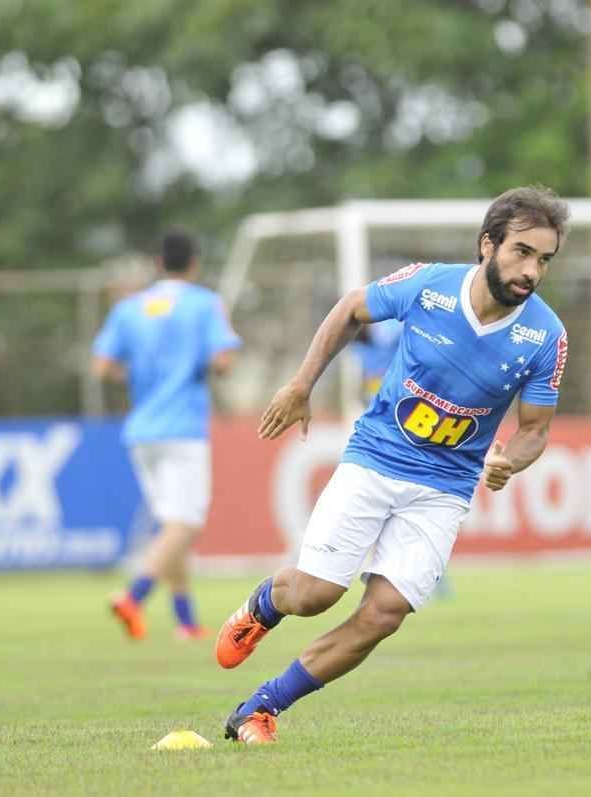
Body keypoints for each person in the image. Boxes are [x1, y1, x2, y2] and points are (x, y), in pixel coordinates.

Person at [214, 186, 571, 744]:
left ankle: (260, 708)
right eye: (522, 252)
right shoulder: (429, 286)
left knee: (384, 614)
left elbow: (534, 430)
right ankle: (265, 604)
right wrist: (302, 384)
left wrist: (509, 461)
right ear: (488, 245)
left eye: (544, 259)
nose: (532, 270)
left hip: (445, 488)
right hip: (376, 458)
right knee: (315, 595)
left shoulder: (546, 335)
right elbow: (350, 309)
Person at [92, 229, 241, 640]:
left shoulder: (130, 309)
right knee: (186, 524)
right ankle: (133, 596)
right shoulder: (204, 304)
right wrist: (197, 368)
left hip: (141, 431)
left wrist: (140, 374)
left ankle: (186, 621)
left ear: (158, 264)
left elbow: (102, 367)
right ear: (193, 264)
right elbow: (224, 361)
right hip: (183, 429)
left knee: (172, 526)